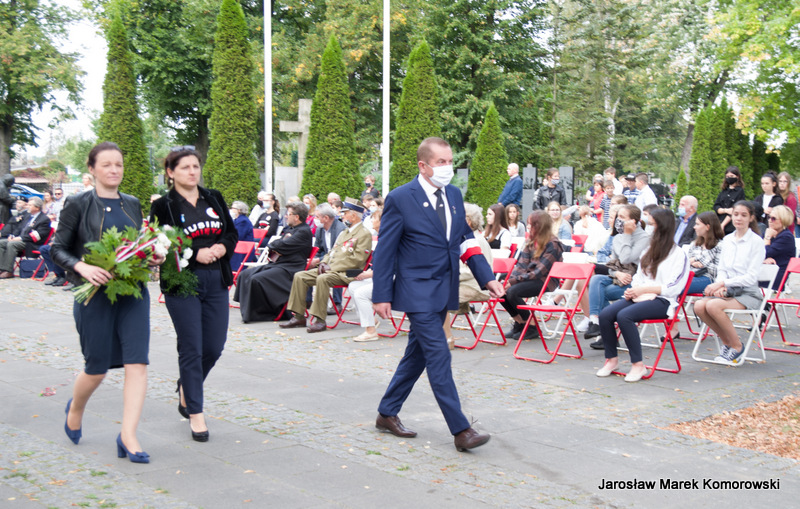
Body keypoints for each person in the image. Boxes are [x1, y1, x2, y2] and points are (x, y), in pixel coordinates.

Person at [372, 137, 504, 451]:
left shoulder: (454, 195)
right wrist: (381, 295)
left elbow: (466, 241)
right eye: (441, 162)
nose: (448, 168)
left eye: (450, 161)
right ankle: (461, 430)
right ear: (423, 165)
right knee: (439, 353)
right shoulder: (401, 198)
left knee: (417, 356)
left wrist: (487, 278)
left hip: (444, 288)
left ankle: (387, 413)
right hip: (415, 290)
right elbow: (385, 251)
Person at [52, 141, 162, 463]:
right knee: (96, 369)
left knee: (137, 362)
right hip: (94, 295)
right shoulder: (78, 203)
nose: (114, 170)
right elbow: (57, 249)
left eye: (119, 164)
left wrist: (151, 256)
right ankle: (76, 407)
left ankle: (128, 436)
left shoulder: (132, 203)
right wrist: (81, 267)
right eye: (106, 165)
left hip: (132, 293)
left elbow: (137, 246)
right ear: (92, 169)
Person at [150, 147, 238, 443]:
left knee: (214, 346)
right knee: (191, 347)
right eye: (185, 167)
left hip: (216, 279)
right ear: (170, 172)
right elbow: (161, 242)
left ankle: (186, 386)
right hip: (183, 281)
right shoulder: (163, 205)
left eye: (196, 166)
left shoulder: (214, 197)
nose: (192, 172)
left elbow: (231, 232)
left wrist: (222, 247)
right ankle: (195, 412)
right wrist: (194, 253)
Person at [596, 208, 691, 382]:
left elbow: (673, 287)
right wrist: (634, 290)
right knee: (606, 314)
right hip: (641, 296)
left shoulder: (678, 254)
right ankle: (612, 360)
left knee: (624, 316)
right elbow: (639, 276)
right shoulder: (648, 250)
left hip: (663, 301)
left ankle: (638, 365)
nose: (650, 229)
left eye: (653, 225)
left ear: (662, 227)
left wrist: (644, 290)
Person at [281, 198, 372, 332]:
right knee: (300, 276)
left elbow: (357, 260)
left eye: (345, 213)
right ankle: (298, 316)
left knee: (323, 278)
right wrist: (323, 263)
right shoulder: (345, 233)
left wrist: (330, 268)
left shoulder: (364, 234)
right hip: (332, 270)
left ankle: (319, 320)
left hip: (348, 272)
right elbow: (332, 252)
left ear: (353, 215)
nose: (342, 216)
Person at [693, 201, 766, 365]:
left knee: (713, 306)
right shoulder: (727, 240)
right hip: (728, 290)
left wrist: (723, 284)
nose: (739, 218)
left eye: (743, 215)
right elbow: (722, 269)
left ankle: (737, 346)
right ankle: (727, 343)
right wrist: (721, 284)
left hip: (748, 293)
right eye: (736, 214)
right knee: (699, 306)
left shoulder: (756, 242)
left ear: (751, 218)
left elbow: (751, 277)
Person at [577, 205, 650, 346]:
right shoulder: (618, 238)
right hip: (619, 278)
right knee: (596, 279)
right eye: (618, 217)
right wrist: (617, 273)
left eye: (622, 217)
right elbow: (612, 265)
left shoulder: (643, 238)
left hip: (636, 282)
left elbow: (626, 259)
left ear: (634, 221)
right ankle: (595, 321)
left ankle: (607, 334)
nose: (618, 221)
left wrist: (627, 235)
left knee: (600, 293)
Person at [233, 202, 314, 322]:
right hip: (279, 264)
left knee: (256, 279)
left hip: (290, 269)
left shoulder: (303, 231)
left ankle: (262, 312)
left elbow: (281, 245)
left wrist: (276, 247)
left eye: (288, 214)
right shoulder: (291, 229)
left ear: (296, 217)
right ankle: (249, 310)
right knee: (244, 274)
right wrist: (276, 247)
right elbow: (276, 245)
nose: (286, 216)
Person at [501, 210, 564, 340]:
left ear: (540, 225)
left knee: (512, 291)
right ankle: (520, 323)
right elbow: (521, 265)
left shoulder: (553, 244)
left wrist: (513, 282)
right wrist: (509, 280)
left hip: (546, 280)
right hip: (530, 277)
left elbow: (539, 272)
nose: (528, 227)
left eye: (531, 224)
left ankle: (532, 326)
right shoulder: (531, 241)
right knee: (500, 289)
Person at [347, 208, 383, 342]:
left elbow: (390, 268)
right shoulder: (382, 238)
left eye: (374, 218)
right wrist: (366, 273)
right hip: (381, 277)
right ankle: (371, 320)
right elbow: (378, 265)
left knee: (360, 293)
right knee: (353, 286)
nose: (371, 220)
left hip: (392, 280)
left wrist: (368, 275)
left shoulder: (388, 239)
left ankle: (370, 331)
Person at [0, 197, 51, 279]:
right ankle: (1, 268)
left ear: (37, 207)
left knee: (11, 244)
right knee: (1, 243)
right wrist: (13, 236)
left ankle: (8, 271)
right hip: (20, 240)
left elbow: (36, 236)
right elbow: (19, 228)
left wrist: (20, 238)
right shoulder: (28, 216)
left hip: (31, 243)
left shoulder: (44, 219)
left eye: (30, 205)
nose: (28, 207)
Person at [685, 212, 725, 295]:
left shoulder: (720, 246)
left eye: (697, 224)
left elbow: (718, 271)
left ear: (707, 227)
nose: (694, 227)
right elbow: (687, 262)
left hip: (708, 279)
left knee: (679, 285)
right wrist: (695, 263)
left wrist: (701, 262)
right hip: (690, 275)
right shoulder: (694, 244)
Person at [763, 205, 796, 291]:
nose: (769, 220)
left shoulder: (786, 237)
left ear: (783, 220)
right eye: (769, 217)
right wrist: (764, 260)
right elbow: (754, 252)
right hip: (764, 270)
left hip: (775, 276)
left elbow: (765, 253)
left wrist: (767, 238)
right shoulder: (769, 232)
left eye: (773, 218)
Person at [713, 166, 746, 235]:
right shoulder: (724, 191)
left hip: (731, 226)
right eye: (727, 176)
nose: (729, 178)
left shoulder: (740, 191)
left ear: (737, 177)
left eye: (731, 176)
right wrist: (725, 210)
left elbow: (734, 210)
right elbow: (716, 206)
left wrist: (723, 224)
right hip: (719, 222)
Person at [229, 200, 255, 272]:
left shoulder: (243, 221)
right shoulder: (237, 220)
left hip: (243, 249)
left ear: (239, 210)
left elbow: (238, 236)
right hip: (238, 246)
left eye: (233, 208)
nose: (231, 210)